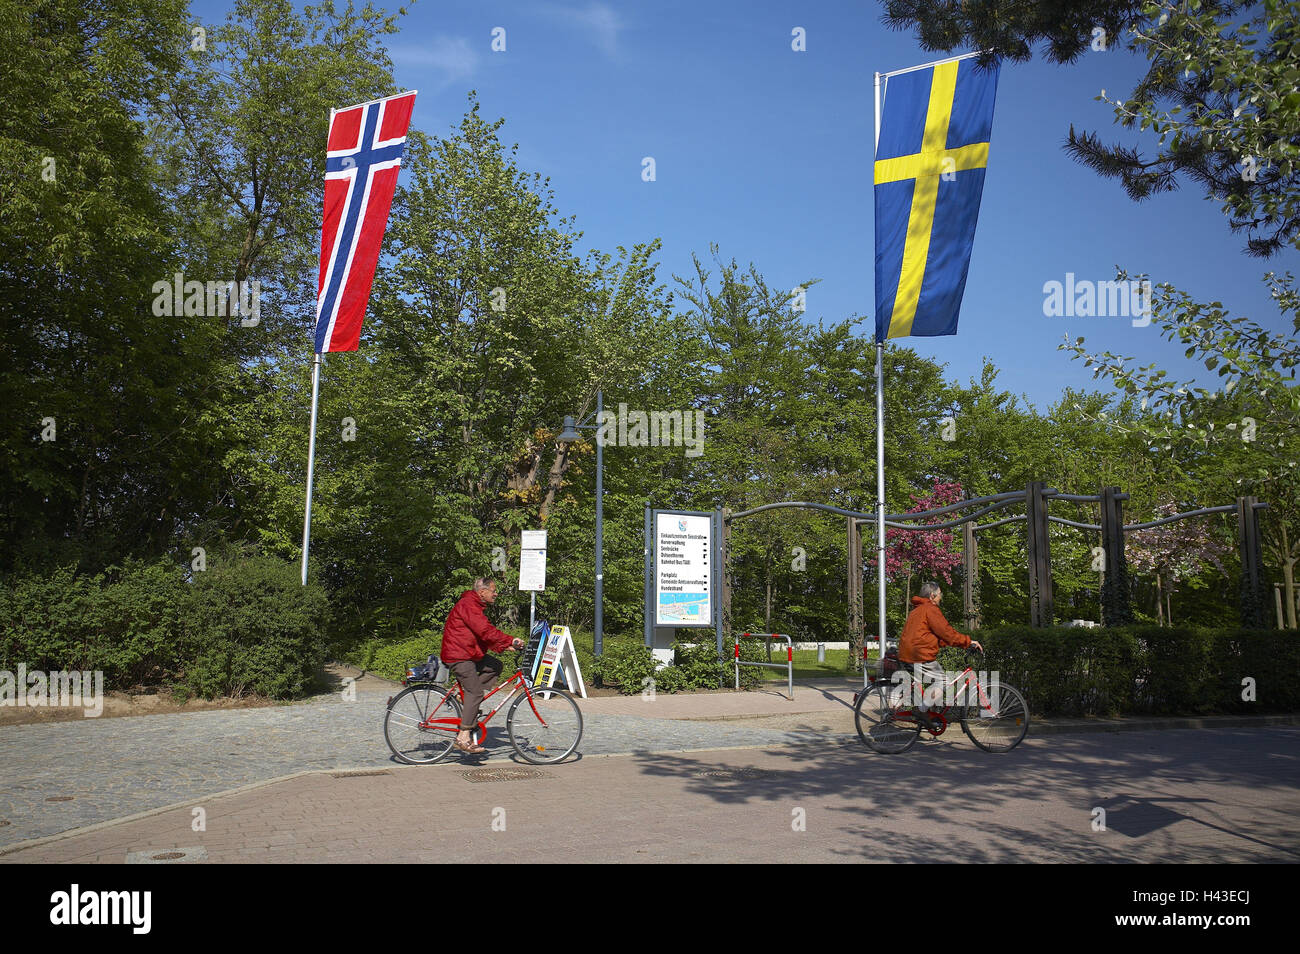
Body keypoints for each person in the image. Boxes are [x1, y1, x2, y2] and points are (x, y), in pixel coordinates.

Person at [440, 577, 525, 755]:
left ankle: (467, 701)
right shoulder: (468, 605)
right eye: (493, 590)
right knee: (476, 692)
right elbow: (484, 630)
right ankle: (463, 737)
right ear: (482, 592)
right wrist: (510, 639)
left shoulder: (474, 605)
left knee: (494, 665)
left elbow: (480, 636)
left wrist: (503, 645)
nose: (496, 594)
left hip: (467, 652)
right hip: (459, 655)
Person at [897, 582, 983, 730]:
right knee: (944, 681)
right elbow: (946, 632)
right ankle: (921, 711)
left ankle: (927, 712)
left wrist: (951, 643)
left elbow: (930, 635)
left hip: (908, 654)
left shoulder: (916, 610)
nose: (941, 597)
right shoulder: (930, 609)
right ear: (932, 595)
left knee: (935, 681)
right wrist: (968, 642)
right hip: (919, 655)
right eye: (940, 594)